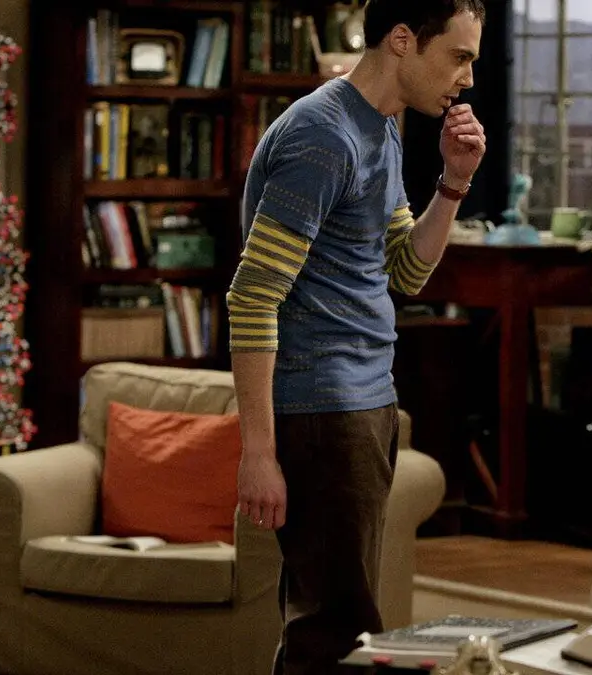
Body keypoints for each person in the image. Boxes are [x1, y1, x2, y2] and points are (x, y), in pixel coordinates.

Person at [225, 1, 487, 672]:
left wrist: (453, 183)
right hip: (323, 409)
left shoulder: (381, 127)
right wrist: (258, 451)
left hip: (365, 400)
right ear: (402, 40)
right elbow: (253, 295)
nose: (467, 78)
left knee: (335, 626)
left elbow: (404, 270)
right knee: (335, 633)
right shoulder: (323, 136)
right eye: (458, 57)